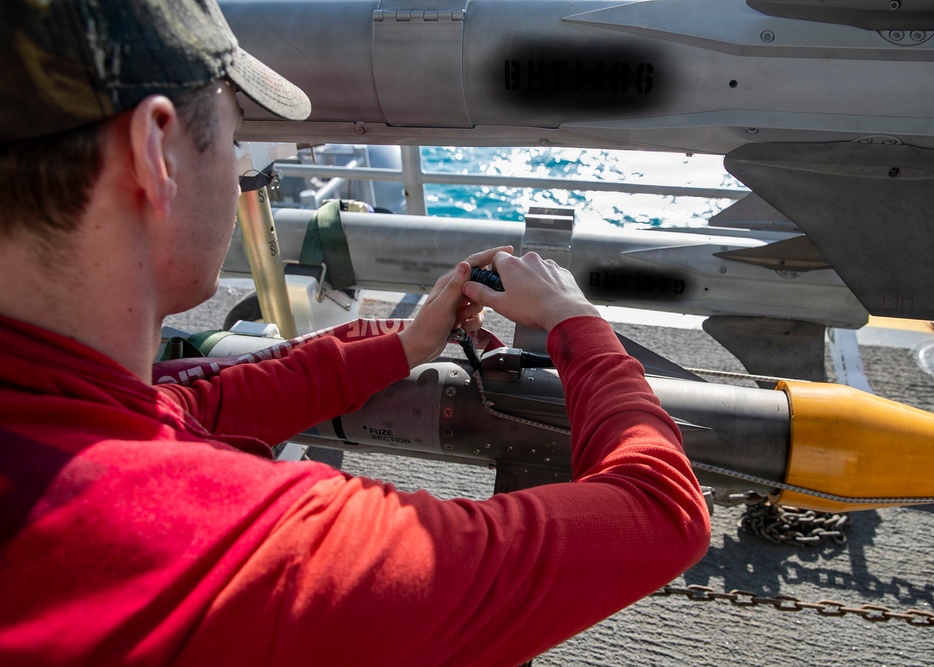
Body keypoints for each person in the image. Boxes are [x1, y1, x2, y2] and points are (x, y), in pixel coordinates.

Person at [0, 0, 710, 665]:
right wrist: (575, 321)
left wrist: (403, 343)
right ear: (155, 154)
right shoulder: (265, 554)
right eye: (237, 137)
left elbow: (188, 408)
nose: (242, 166)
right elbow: (659, 512)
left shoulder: (51, 415)